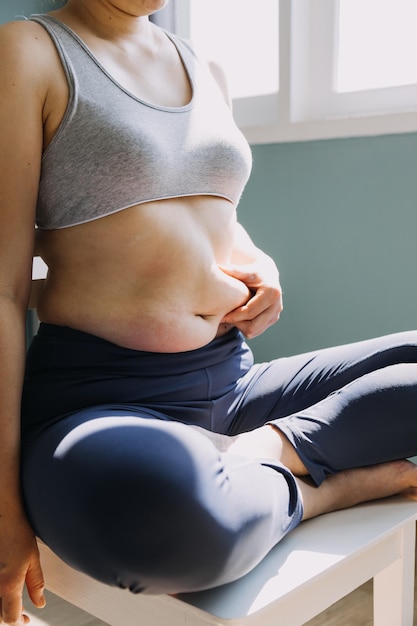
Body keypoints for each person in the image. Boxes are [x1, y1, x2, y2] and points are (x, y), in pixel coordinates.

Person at [1, 0, 417, 623]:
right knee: (160, 520)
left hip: (233, 379)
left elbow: (215, 218)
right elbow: (6, 291)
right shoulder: (28, 52)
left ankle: (268, 453)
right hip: (101, 403)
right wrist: (4, 510)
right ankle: (322, 487)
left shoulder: (203, 66)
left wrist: (261, 265)